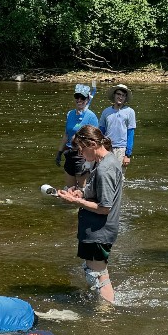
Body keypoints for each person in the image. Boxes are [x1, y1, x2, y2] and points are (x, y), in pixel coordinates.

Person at [55, 124, 123, 303]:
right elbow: (98, 192)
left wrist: (76, 201)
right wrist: (81, 193)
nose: (79, 153)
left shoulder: (104, 168)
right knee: (94, 272)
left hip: (99, 231)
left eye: (80, 149)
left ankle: (105, 315)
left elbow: (105, 207)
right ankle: (98, 304)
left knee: (101, 277)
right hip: (95, 229)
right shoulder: (104, 162)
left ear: (92, 144)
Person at [55, 81, 98, 187]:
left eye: (82, 98)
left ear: (87, 99)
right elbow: (66, 134)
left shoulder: (91, 117)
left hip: (83, 156)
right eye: (77, 97)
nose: (79, 100)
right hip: (70, 154)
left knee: (82, 189)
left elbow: (96, 140)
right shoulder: (70, 114)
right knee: (70, 189)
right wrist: (60, 152)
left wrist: (92, 158)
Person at [98, 84, 136, 169]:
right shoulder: (106, 112)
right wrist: (99, 148)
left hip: (121, 149)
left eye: (123, 95)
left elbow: (131, 134)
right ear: (114, 95)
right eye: (118, 94)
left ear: (125, 98)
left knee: (119, 177)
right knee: (105, 175)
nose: (120, 97)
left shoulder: (130, 112)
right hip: (107, 148)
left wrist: (128, 155)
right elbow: (100, 132)